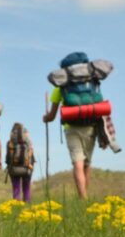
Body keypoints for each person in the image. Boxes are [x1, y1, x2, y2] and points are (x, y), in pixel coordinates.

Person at [42, 52, 114, 200]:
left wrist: (46, 118)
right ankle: (84, 198)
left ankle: (83, 198)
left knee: (77, 164)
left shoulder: (60, 87)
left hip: (71, 128)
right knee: (87, 164)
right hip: (91, 126)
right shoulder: (92, 81)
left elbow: (52, 115)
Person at [5, 122, 35, 202]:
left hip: (14, 169)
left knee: (16, 186)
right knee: (26, 186)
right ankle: (27, 202)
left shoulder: (9, 143)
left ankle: (16, 203)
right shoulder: (28, 142)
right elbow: (32, 156)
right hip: (27, 168)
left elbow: (7, 158)